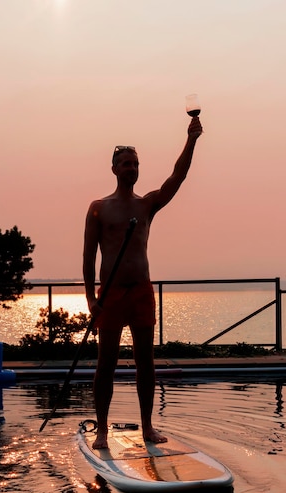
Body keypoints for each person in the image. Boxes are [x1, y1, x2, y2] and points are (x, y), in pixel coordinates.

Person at [83, 116, 203, 449]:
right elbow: (88, 258)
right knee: (105, 363)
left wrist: (191, 140)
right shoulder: (98, 209)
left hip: (141, 292)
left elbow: (176, 178)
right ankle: (103, 430)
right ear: (114, 169)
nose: (131, 168)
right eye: (125, 164)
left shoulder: (146, 204)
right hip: (110, 295)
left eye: (135, 164)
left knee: (145, 362)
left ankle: (148, 426)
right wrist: (91, 300)